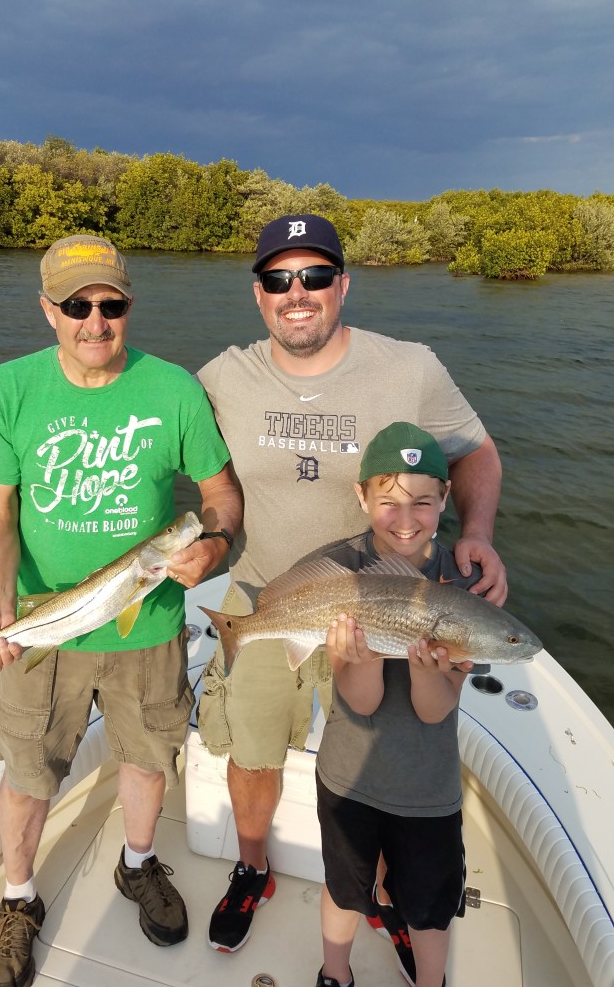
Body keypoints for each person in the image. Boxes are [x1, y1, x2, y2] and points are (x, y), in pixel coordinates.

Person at [195, 214, 506, 960]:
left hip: (382, 604)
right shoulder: (219, 378)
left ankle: (390, 897)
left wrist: (477, 534)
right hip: (266, 598)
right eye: (278, 279)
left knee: (380, 764)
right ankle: (252, 867)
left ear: (343, 283)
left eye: (313, 276)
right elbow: (172, 454)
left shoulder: (410, 367)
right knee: (255, 747)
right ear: (258, 292)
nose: (295, 293)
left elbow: (479, 452)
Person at [0, 234, 242, 987]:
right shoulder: (5, 390)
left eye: (110, 304)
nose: (95, 320)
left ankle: (138, 865)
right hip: (39, 626)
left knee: (149, 757)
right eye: (76, 305)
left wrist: (210, 548)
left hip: (147, 626)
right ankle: (19, 900)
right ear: (48, 310)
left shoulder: (173, 389)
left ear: (128, 307)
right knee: (28, 771)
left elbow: (219, 497)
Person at [315, 421, 476, 987]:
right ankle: (335, 973)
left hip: (427, 790)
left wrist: (427, 668)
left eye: (423, 503)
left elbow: (435, 711)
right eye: (388, 503)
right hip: (348, 778)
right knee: (345, 892)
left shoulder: (462, 586)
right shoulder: (340, 572)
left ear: (445, 500)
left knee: (430, 908)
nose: (406, 520)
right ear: (361, 497)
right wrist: (357, 655)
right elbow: (361, 702)